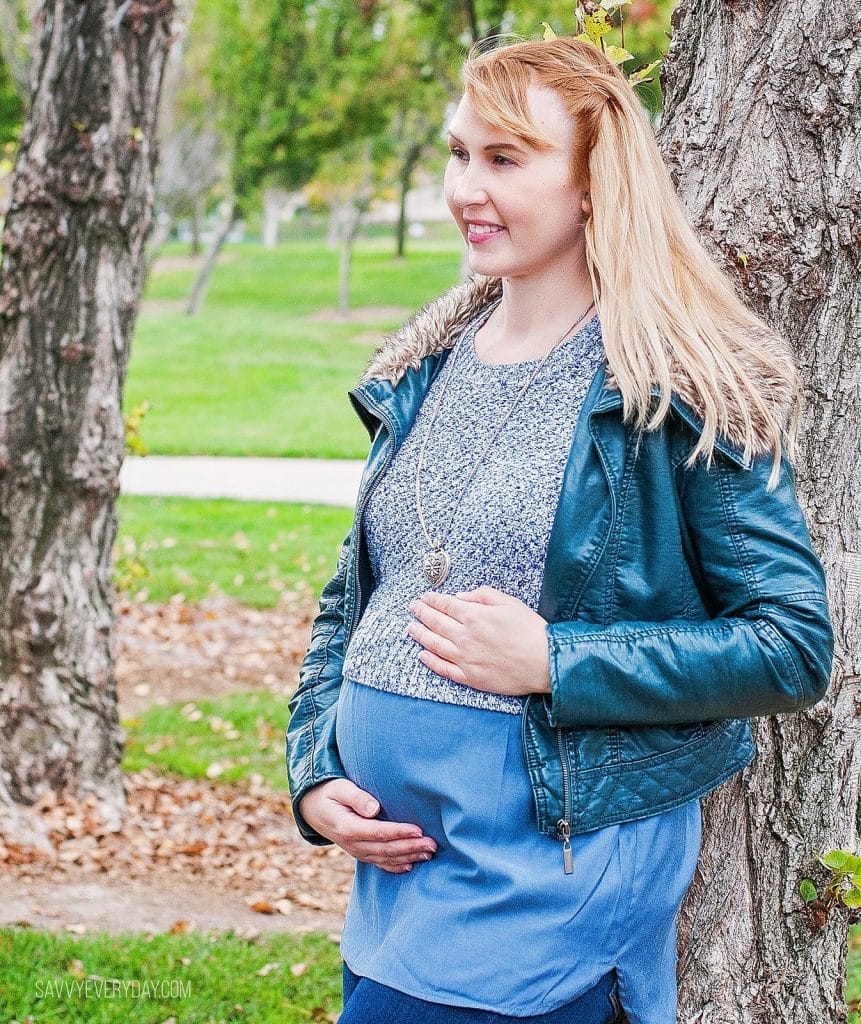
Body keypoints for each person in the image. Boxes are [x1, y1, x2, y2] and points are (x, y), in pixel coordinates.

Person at [285, 35, 834, 1024]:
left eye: (504, 158)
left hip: (550, 880)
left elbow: (791, 646)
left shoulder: (681, 385)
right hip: (399, 887)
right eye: (459, 153)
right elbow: (356, 599)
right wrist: (317, 772)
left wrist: (557, 658)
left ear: (593, 182)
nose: (466, 186)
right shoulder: (428, 365)